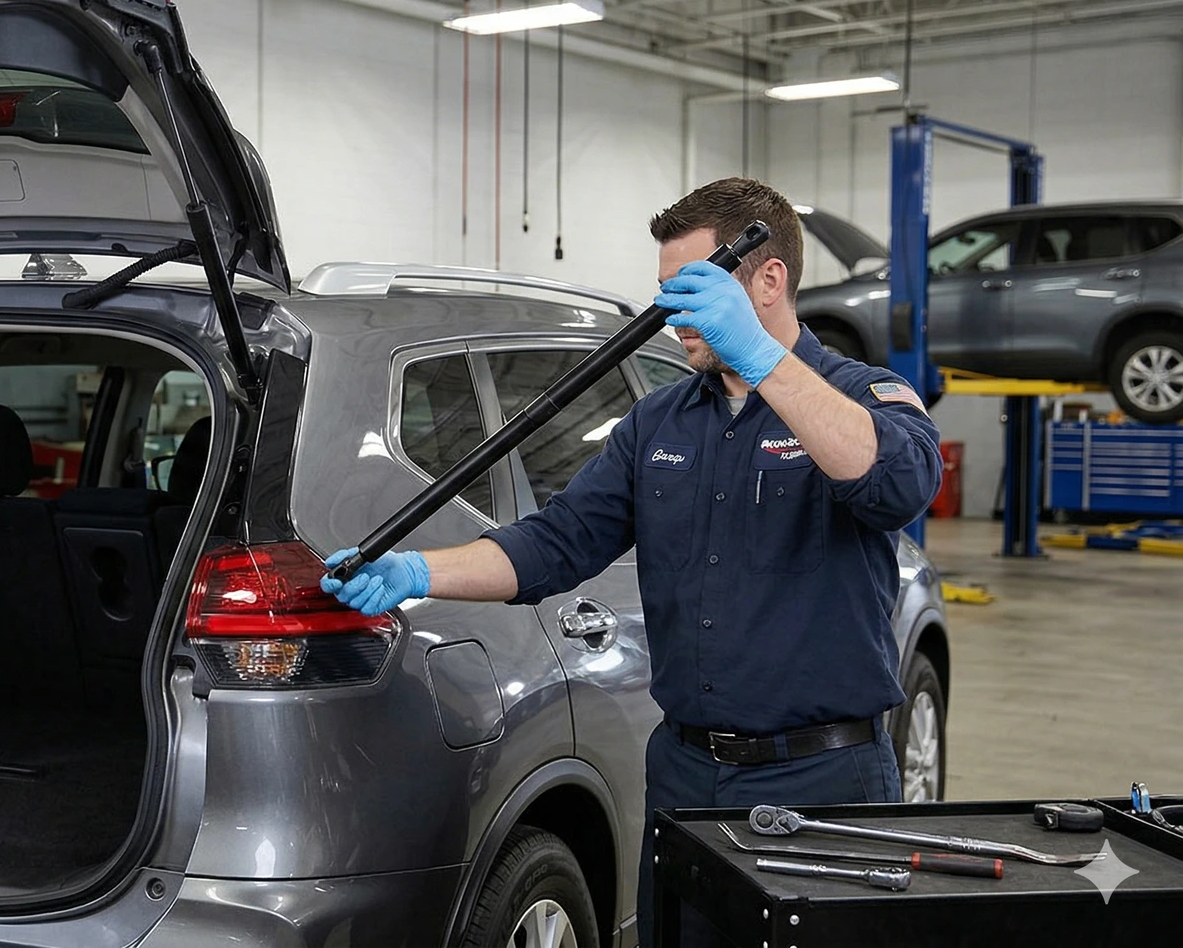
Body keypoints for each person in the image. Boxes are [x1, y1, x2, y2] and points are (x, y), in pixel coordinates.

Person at [320, 177, 941, 946]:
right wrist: (416, 572)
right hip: (686, 778)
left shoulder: (861, 392)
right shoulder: (658, 421)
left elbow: (900, 481)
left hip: (822, 783)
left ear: (769, 278)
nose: (675, 312)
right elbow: (555, 543)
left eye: (694, 288)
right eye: (665, 292)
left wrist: (760, 358)